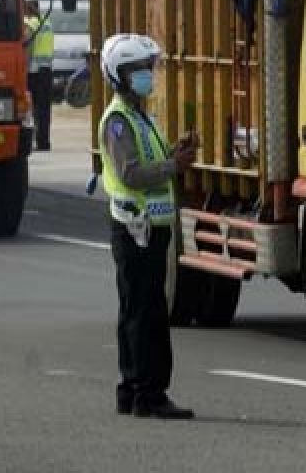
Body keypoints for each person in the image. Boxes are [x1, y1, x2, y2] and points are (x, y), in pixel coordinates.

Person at [97, 33, 198, 420]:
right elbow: (132, 173)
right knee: (145, 314)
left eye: (149, 67)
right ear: (121, 74)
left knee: (138, 311)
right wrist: (175, 166)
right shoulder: (119, 121)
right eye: (141, 69)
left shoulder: (140, 117)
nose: (148, 75)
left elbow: (150, 163)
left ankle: (131, 390)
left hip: (148, 230)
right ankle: (148, 395)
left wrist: (175, 154)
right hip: (135, 230)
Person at [24, 0, 54, 151]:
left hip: (33, 72)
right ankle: (44, 142)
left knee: (30, 108)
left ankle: (33, 141)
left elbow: (26, 50)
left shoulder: (29, 25)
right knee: (44, 109)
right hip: (46, 70)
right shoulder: (46, 23)